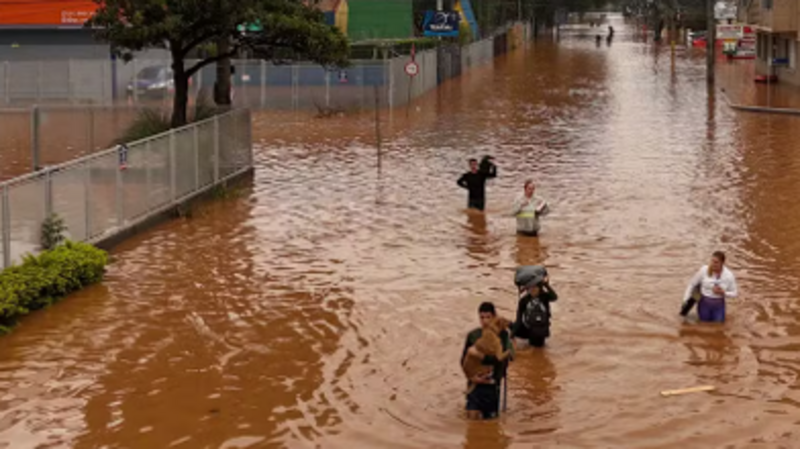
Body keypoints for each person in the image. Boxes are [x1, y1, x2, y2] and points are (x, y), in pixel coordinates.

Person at [460, 302, 514, 420]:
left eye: (488, 317)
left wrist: (482, 357)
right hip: (475, 383)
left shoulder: (503, 335)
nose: (484, 321)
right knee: (471, 423)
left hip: (492, 386)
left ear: (494, 317)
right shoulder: (473, 335)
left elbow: (509, 356)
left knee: (491, 423)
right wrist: (471, 378)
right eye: (482, 317)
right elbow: (463, 360)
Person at [683, 251, 738, 323]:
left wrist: (723, 293)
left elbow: (735, 293)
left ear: (722, 263)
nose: (713, 264)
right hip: (704, 303)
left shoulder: (729, 275)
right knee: (704, 325)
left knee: (718, 326)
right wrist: (685, 299)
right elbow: (692, 284)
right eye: (712, 261)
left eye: (716, 262)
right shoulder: (704, 270)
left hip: (719, 305)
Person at [513, 267, 558, 348]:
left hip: (542, 330)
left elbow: (554, 297)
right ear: (527, 289)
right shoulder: (524, 301)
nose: (533, 290)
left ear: (539, 287)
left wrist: (546, 285)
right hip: (530, 331)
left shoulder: (544, 297)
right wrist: (512, 335)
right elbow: (518, 320)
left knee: (540, 348)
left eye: (535, 287)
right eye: (531, 288)